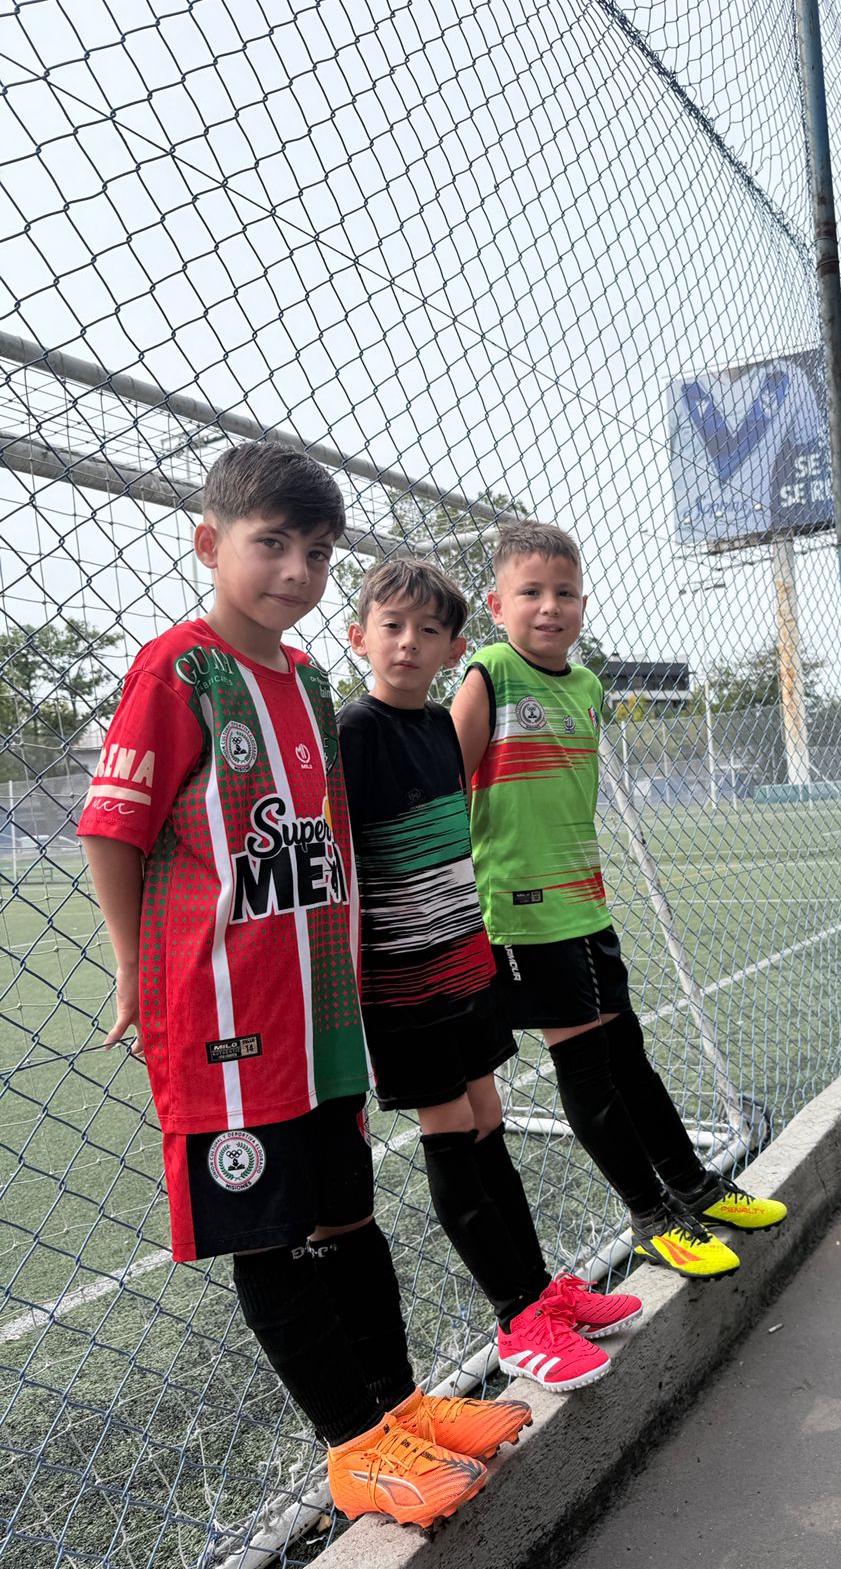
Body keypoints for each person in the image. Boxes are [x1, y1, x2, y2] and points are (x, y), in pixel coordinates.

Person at [78, 443, 530, 1532]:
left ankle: (399, 1409)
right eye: (269, 543)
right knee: (273, 1234)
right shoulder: (178, 670)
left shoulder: (312, 679)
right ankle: (352, 1449)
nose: (294, 568)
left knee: (346, 1216)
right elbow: (115, 826)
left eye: (317, 551)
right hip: (223, 1012)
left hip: (316, 1007)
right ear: (210, 543)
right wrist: (137, 969)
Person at [450, 520, 787, 1290]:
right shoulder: (490, 674)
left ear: (583, 602)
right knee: (588, 1068)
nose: (550, 607)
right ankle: (651, 1217)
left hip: (585, 906)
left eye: (564, 592)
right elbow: (447, 783)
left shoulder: (587, 685)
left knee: (627, 1052)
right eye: (530, 592)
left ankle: (695, 1186)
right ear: (497, 604)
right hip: (523, 912)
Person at [338, 558, 640, 1393]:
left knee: (485, 1113)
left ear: (453, 646)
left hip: (464, 951)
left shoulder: (441, 727)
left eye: (428, 631)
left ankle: (538, 1292)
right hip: (402, 978)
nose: (408, 644)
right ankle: (516, 1321)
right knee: (448, 1127)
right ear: (357, 636)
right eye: (391, 627)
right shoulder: (351, 734)